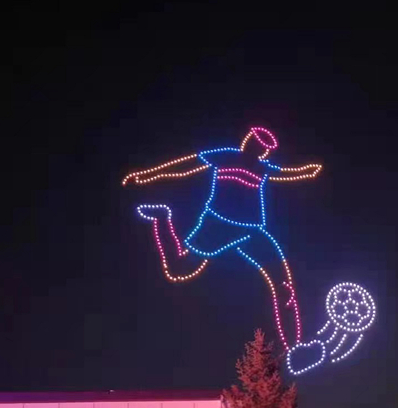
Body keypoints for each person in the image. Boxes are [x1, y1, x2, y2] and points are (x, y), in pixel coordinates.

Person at [124, 127, 322, 358]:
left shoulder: (263, 168)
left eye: (265, 148)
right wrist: (150, 175)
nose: (262, 150)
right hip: (218, 225)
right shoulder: (225, 155)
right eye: (259, 143)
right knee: (180, 268)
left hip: (251, 230)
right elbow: (185, 165)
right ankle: (162, 217)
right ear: (249, 141)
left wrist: (306, 171)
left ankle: (296, 349)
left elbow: (286, 173)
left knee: (282, 281)